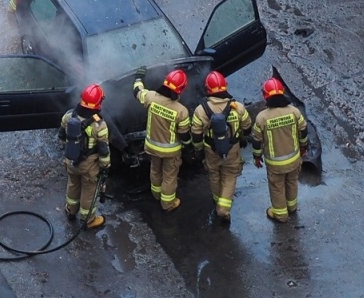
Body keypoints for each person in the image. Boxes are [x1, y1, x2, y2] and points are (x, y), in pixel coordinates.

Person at [190, 71, 250, 224]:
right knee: (229, 175)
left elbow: (196, 134)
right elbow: (247, 126)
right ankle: (223, 209)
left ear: (208, 89)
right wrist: (242, 139)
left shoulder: (201, 110)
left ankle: (218, 201)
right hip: (232, 149)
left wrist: (198, 149)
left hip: (211, 150)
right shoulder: (238, 107)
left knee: (214, 174)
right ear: (225, 86)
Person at [251, 76, 309, 223]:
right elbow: (303, 132)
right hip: (294, 160)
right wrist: (303, 148)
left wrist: (257, 158)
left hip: (275, 165)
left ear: (265, 95)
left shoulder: (261, 118)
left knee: (277, 188)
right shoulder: (294, 112)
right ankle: (292, 207)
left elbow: (257, 141)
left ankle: (281, 215)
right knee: (291, 182)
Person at [132, 68, 191, 211]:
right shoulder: (181, 111)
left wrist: (139, 78)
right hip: (171, 151)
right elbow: (184, 135)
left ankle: (156, 195)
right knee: (169, 176)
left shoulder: (151, 97)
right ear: (181, 89)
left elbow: (137, 92)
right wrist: (189, 146)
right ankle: (168, 204)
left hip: (151, 146)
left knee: (155, 170)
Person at [59, 84, 112, 230]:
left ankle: (70, 211)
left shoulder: (69, 116)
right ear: (98, 103)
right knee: (89, 192)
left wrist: (68, 152)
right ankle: (88, 220)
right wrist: (105, 167)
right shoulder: (99, 125)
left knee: (73, 186)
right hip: (89, 166)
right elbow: (103, 151)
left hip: (70, 162)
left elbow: (61, 136)